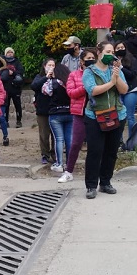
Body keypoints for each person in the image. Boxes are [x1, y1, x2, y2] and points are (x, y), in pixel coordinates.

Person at [82, 42, 128, 199]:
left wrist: (116, 76)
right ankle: (91, 185)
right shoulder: (89, 71)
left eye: (112, 51)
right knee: (95, 151)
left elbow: (124, 90)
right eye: (107, 51)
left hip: (117, 115)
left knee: (111, 151)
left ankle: (106, 182)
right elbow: (93, 90)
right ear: (99, 53)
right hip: (95, 116)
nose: (111, 54)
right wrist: (111, 83)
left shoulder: (115, 69)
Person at [60, 48, 98, 183]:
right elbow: (70, 93)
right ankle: (68, 171)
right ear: (81, 61)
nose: (90, 61)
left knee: (95, 145)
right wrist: (85, 87)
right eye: (87, 59)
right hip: (80, 114)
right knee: (76, 143)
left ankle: (95, 173)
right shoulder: (74, 75)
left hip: (97, 113)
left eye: (93, 58)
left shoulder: (99, 74)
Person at [47, 61, 73, 173]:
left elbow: (45, 91)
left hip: (55, 114)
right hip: (69, 112)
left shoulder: (52, 82)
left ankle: (59, 164)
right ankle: (70, 163)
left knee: (59, 139)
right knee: (69, 139)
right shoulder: (70, 83)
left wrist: (48, 77)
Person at [30, 58, 56, 166]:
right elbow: (34, 86)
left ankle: (55, 154)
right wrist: (46, 77)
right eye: (49, 65)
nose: (51, 67)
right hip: (42, 110)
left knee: (55, 135)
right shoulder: (39, 77)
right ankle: (45, 154)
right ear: (44, 66)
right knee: (44, 134)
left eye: (53, 65)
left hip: (55, 110)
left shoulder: (57, 78)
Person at [115, 41, 137, 133]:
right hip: (117, 91)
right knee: (118, 116)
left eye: (122, 47)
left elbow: (132, 74)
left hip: (131, 89)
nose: (120, 49)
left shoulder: (131, 59)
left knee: (130, 116)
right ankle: (118, 141)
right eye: (118, 48)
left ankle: (131, 140)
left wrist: (121, 67)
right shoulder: (112, 60)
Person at [2, 47, 25, 128]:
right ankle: (5, 121)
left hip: (15, 87)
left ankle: (19, 121)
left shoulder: (17, 62)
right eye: (8, 52)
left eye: (11, 52)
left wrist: (13, 73)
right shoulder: (2, 62)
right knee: (6, 105)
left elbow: (21, 72)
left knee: (17, 105)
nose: (10, 54)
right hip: (5, 87)